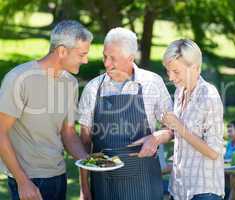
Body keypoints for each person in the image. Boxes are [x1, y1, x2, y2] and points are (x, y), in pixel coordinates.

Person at [0, 20, 93, 200]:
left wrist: (89, 161)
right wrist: (23, 182)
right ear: (62, 51)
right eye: (81, 54)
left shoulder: (70, 83)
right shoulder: (19, 78)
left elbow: (68, 132)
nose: (86, 60)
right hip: (29, 179)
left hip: (58, 175)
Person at [78, 27, 173, 200]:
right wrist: (84, 188)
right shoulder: (93, 88)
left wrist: (156, 138)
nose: (106, 64)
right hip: (104, 186)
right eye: (104, 56)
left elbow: (172, 128)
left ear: (130, 58)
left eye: (113, 59)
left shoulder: (152, 83)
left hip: (145, 183)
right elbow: (84, 142)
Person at [161, 39, 224, 200]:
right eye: (168, 71)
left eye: (176, 72)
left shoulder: (209, 95)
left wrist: (179, 126)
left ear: (194, 67)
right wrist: (156, 138)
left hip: (203, 190)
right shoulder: (179, 92)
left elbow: (214, 151)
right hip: (179, 188)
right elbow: (180, 134)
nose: (171, 78)